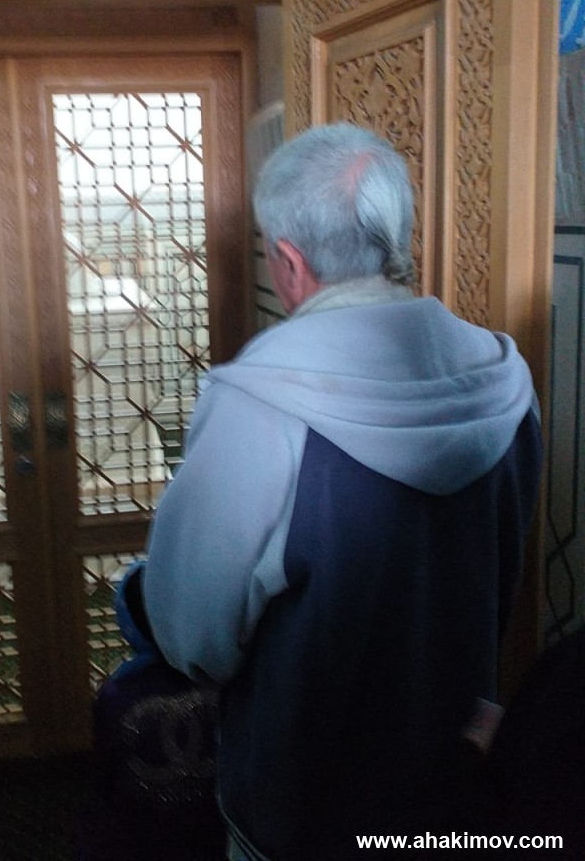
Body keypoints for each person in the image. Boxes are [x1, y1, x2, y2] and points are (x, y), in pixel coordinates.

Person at [128, 122, 543, 859]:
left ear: (289, 262)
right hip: (458, 781)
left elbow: (194, 638)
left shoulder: (259, 404)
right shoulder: (506, 380)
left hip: (304, 807)